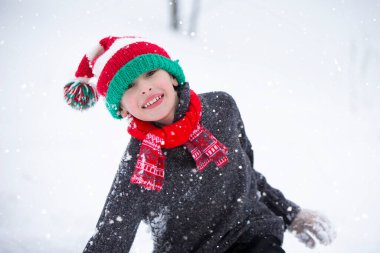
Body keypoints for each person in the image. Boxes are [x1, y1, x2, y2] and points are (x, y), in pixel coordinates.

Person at [64, 36, 336, 253]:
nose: (144, 88)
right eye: (129, 87)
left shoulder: (221, 108)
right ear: (122, 109)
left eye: (150, 73)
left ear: (172, 75)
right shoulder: (139, 166)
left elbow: (246, 175)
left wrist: (290, 212)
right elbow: (112, 237)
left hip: (253, 235)